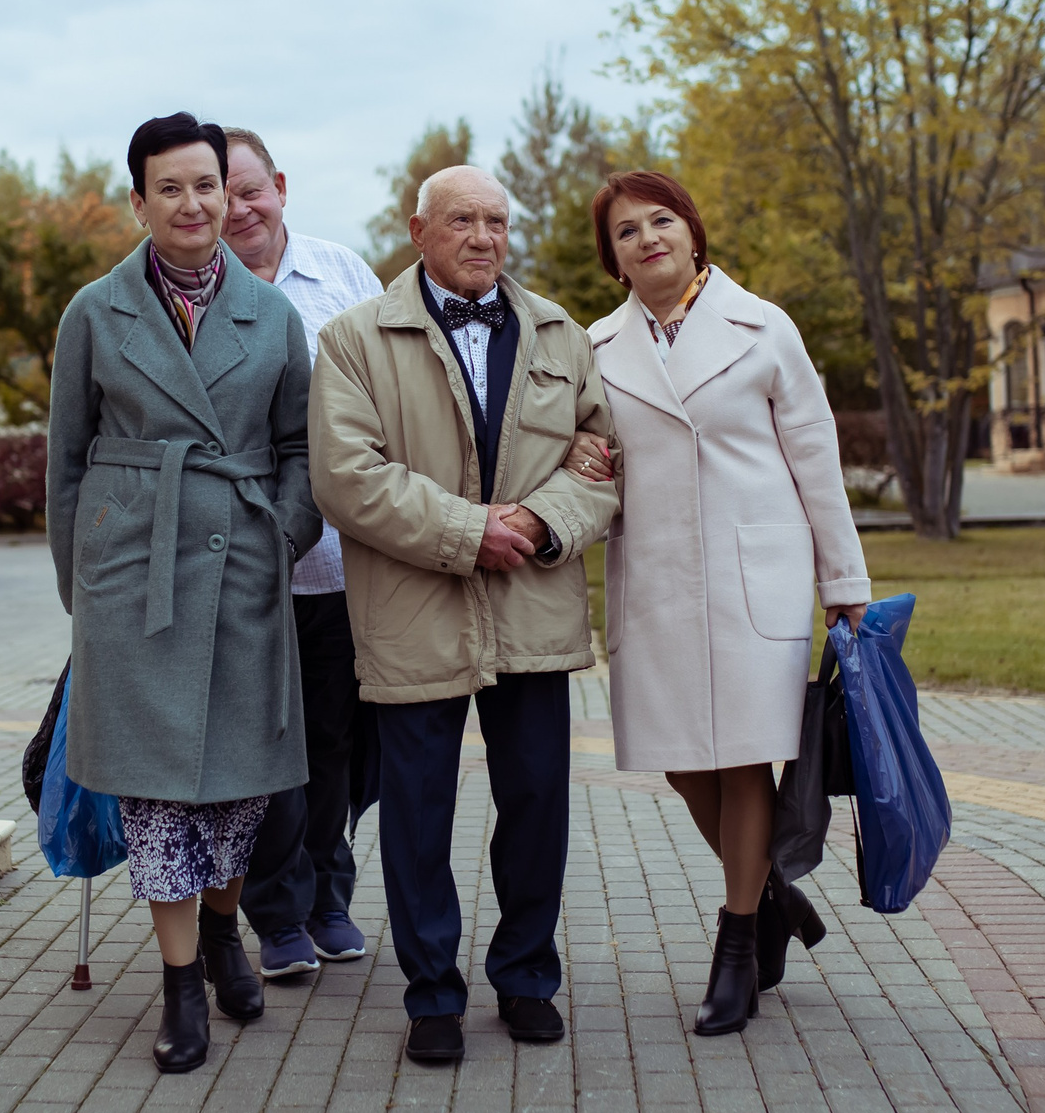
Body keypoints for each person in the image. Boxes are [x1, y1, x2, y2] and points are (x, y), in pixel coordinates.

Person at [310, 165, 617, 1065]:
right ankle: (431, 993)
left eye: (495, 220)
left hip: (533, 602)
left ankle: (526, 976)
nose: (483, 236)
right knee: (416, 813)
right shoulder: (353, 339)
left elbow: (601, 453)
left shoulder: (560, 332)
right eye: (461, 220)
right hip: (414, 607)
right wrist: (467, 530)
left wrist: (537, 522)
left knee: (535, 802)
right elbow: (346, 475)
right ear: (418, 230)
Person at [45, 112, 323, 1073]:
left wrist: (285, 528)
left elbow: (299, 449)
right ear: (139, 201)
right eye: (170, 187)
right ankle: (178, 986)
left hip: (243, 561)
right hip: (135, 576)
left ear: (228, 189)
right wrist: (83, 582)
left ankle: (219, 930)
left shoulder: (273, 315)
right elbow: (67, 458)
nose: (194, 203)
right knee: (160, 792)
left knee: (237, 789)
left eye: (207, 184)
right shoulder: (95, 311)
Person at [573, 170, 869, 1036]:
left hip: (754, 574)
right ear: (614, 260)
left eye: (661, 220)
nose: (647, 238)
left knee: (743, 758)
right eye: (626, 231)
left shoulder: (763, 326)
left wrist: (843, 583)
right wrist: (588, 465)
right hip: (656, 574)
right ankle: (775, 894)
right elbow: (587, 453)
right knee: (678, 755)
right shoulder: (593, 349)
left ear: (693, 232)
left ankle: (737, 940)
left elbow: (816, 454)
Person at [220, 128, 386, 983]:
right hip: (245, 565)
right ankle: (278, 909)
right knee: (264, 744)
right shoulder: (193, 290)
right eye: (223, 193)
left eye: (252, 189)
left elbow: (394, 388)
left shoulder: (343, 273)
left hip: (342, 566)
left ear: (279, 185)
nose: (239, 208)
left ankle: (329, 891)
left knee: (337, 741)